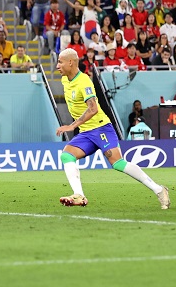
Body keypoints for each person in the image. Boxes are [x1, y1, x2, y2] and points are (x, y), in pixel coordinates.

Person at [55, 48, 170, 209]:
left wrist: (72, 125)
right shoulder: (65, 80)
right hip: (86, 132)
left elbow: (93, 108)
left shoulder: (84, 82)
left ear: (71, 62)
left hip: (101, 128)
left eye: (60, 61)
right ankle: (79, 195)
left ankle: (159, 190)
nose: (57, 65)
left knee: (117, 163)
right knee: (67, 155)